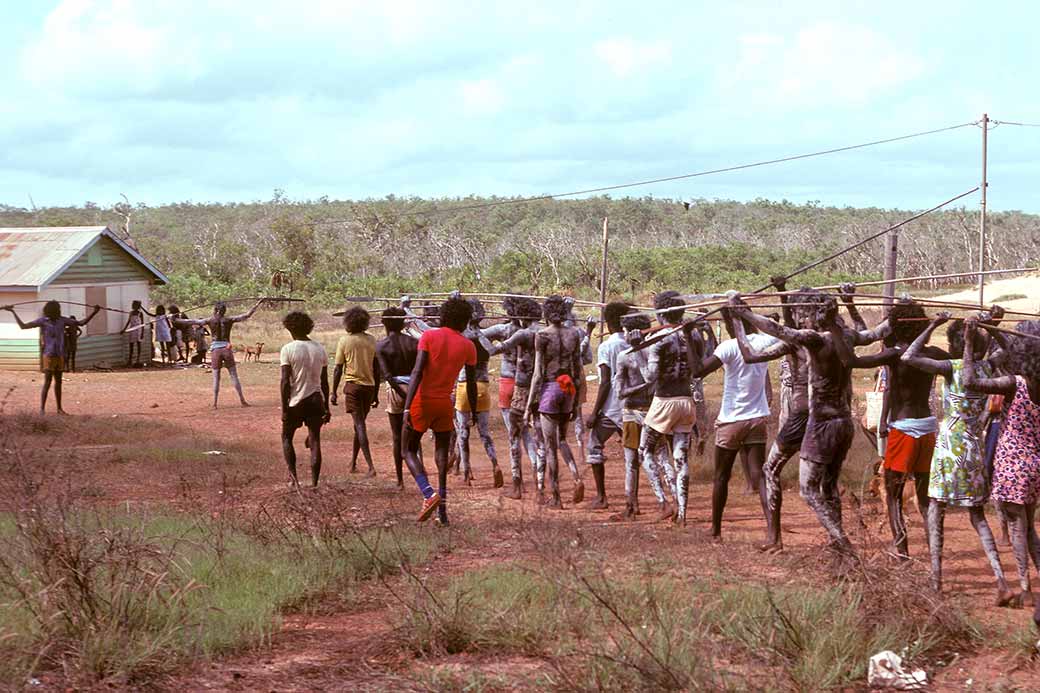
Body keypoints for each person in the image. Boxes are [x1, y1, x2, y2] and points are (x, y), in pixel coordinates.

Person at [733, 289, 888, 562]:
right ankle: (837, 546)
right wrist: (852, 303)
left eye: (801, 312)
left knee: (802, 487)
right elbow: (873, 332)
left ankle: (842, 544)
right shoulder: (846, 338)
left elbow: (778, 330)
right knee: (828, 486)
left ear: (812, 315)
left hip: (819, 423)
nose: (798, 317)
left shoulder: (811, 339)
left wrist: (741, 313)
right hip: (843, 423)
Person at [901, 312, 1013, 604]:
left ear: (955, 343)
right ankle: (1001, 579)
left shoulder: (951, 367)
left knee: (936, 509)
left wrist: (932, 324)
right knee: (976, 514)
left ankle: (936, 580)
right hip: (974, 447)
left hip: (950, 448)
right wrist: (991, 327)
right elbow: (1008, 349)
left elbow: (909, 356)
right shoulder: (989, 368)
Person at [826, 298, 945, 560]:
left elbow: (849, 361)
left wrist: (832, 326)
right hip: (928, 428)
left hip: (904, 429)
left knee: (893, 496)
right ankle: (934, 556)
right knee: (925, 498)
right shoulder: (934, 353)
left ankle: (902, 553)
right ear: (922, 325)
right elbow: (974, 357)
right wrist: (988, 324)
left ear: (894, 328)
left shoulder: (895, 355)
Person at [962, 317, 1040, 606]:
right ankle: (1029, 584)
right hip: (1034, 464)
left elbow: (969, 381)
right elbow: (1018, 355)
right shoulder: (1032, 383)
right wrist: (993, 328)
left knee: (1019, 529)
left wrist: (970, 341)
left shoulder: (1013, 384)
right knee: (1030, 528)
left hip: (1011, 465)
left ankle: (1025, 588)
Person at [730, 279, 809, 553]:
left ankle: (774, 537)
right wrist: (782, 292)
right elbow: (788, 326)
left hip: (802, 416)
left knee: (770, 470)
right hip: (831, 417)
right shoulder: (834, 335)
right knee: (820, 483)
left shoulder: (799, 341)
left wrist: (739, 316)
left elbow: (753, 354)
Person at [690, 297, 774, 541]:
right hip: (757, 418)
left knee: (721, 477)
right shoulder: (764, 341)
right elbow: (780, 331)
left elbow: (697, 371)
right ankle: (771, 527)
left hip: (732, 421)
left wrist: (688, 336)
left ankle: (715, 530)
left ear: (729, 325)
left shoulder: (729, 347)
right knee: (759, 475)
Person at [402, 297, 478, 524]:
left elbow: (416, 372)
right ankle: (442, 511)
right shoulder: (468, 346)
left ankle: (428, 493)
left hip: (422, 401)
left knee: (407, 449)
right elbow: (471, 384)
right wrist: (472, 411)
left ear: (443, 315)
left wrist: (406, 407)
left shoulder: (429, 336)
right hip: (446, 403)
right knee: (442, 454)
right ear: (465, 321)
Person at [639, 291, 703, 524]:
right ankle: (683, 512)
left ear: (660, 312)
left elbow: (650, 377)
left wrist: (637, 350)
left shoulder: (658, 339)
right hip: (687, 401)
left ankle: (664, 502)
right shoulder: (693, 334)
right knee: (680, 457)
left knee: (644, 451)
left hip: (664, 400)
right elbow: (700, 364)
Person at [525, 295, 586, 509]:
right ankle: (576, 476)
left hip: (550, 389)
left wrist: (527, 408)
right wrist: (576, 399)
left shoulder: (542, 335)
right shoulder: (574, 334)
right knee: (562, 439)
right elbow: (578, 371)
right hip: (567, 388)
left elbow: (537, 374)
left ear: (546, 314)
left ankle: (557, 497)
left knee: (550, 447)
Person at [613, 312, 672, 520]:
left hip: (636, 411)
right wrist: (646, 386)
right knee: (661, 458)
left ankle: (640, 505)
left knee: (634, 462)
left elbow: (620, 391)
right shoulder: (657, 352)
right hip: (653, 410)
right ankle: (646, 504)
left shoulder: (626, 356)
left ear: (629, 332)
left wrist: (639, 387)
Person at [482, 296, 541, 487]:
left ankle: (517, 479)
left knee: (515, 434)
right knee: (530, 434)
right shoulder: (539, 332)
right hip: (533, 384)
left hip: (510, 383)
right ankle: (535, 466)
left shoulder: (505, 330)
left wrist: (475, 331)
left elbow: (481, 336)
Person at [3, 301, 101, 414]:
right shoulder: (44, 321)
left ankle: (58, 409)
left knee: (58, 382)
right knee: (48, 382)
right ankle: (43, 409)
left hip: (59, 355)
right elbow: (23, 326)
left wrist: (94, 312)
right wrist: (13, 312)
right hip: (49, 355)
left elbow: (81, 323)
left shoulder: (62, 320)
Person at [584, 301, 635, 509]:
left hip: (611, 408)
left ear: (609, 323)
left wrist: (595, 412)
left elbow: (605, 382)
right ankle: (634, 501)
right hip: (632, 406)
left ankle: (601, 497)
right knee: (633, 453)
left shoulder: (607, 346)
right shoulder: (637, 343)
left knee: (594, 445)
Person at [179, 299, 265, 407]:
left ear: (215, 310)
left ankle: (215, 403)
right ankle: (242, 400)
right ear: (224, 310)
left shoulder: (210, 320)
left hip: (216, 350)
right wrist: (257, 304)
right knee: (234, 376)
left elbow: (192, 321)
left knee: (216, 378)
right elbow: (247, 315)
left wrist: (175, 319)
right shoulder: (229, 320)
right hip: (226, 349)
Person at [279, 311, 331, 488]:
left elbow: (285, 381)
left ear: (290, 328)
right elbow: (324, 382)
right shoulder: (319, 348)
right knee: (315, 440)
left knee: (286, 437)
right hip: (316, 399)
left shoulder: (288, 349)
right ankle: (315, 483)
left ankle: (293, 479)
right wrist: (327, 407)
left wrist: (285, 408)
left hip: (296, 400)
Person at [455, 299, 503, 487]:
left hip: (464, 386)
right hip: (482, 386)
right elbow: (494, 347)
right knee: (484, 433)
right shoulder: (485, 336)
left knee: (463, 432)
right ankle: (495, 463)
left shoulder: (460, 336)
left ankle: (467, 471)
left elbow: (428, 329)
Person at [331, 306, 380, 477]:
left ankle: (370, 466)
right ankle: (353, 463)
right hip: (369, 387)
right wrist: (376, 392)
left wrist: (333, 391)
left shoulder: (345, 341)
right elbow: (377, 367)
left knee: (360, 425)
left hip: (353, 386)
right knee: (358, 426)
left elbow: (338, 368)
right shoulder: (372, 340)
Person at [376, 307, 420, 488]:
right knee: (414, 434)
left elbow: (386, 376)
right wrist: (410, 395)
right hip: (414, 388)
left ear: (385, 323)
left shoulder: (381, 345)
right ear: (402, 323)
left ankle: (400, 480)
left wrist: (402, 394)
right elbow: (419, 370)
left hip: (395, 391)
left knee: (396, 437)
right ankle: (419, 474)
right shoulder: (414, 343)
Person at [120, 300, 148, 367]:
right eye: (133, 305)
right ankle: (130, 360)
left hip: (138, 330)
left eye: (134, 305)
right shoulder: (131, 313)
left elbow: (142, 324)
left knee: (138, 345)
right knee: (131, 345)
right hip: (132, 330)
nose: (133, 306)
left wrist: (142, 333)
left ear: (138, 306)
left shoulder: (140, 313)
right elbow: (128, 322)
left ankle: (138, 360)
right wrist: (124, 329)